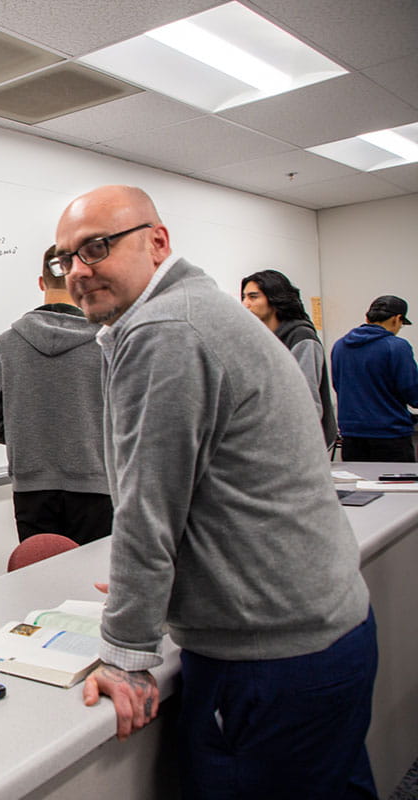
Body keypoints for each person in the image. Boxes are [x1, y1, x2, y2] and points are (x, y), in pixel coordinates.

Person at [50, 187, 376, 798]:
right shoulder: (197, 309)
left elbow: (150, 510)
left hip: (268, 661)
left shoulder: (167, 329)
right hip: (320, 634)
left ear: (157, 241)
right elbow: (207, 489)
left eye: (96, 247)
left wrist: (124, 655)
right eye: (64, 257)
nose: (78, 271)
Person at [0, 244, 110, 544]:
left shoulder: (8, 343)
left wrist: (32, 436)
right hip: (96, 488)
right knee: (91, 584)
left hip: (31, 490)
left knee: (38, 580)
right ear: (83, 281)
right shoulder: (106, 343)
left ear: (41, 283)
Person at [240, 269, 338, 450]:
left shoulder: (301, 337)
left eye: (253, 297)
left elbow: (307, 402)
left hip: (299, 444)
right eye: (244, 297)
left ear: (275, 298)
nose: (246, 304)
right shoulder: (259, 339)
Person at [331, 295, 418, 462]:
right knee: (394, 487)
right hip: (390, 437)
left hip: (351, 436)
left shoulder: (340, 345)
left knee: (358, 487)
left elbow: (338, 385)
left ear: (367, 317)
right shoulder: (397, 346)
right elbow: (412, 392)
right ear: (397, 319)